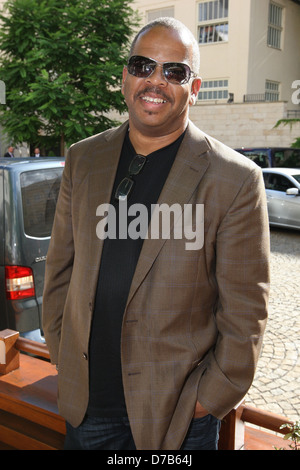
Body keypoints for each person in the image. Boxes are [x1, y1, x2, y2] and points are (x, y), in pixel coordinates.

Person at [42, 18, 270, 451]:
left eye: (174, 71)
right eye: (143, 65)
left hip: (178, 418)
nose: (155, 80)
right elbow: (60, 271)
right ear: (125, 76)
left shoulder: (235, 179)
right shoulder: (83, 158)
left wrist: (209, 398)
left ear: (195, 88)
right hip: (86, 406)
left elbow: (245, 310)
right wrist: (63, 354)